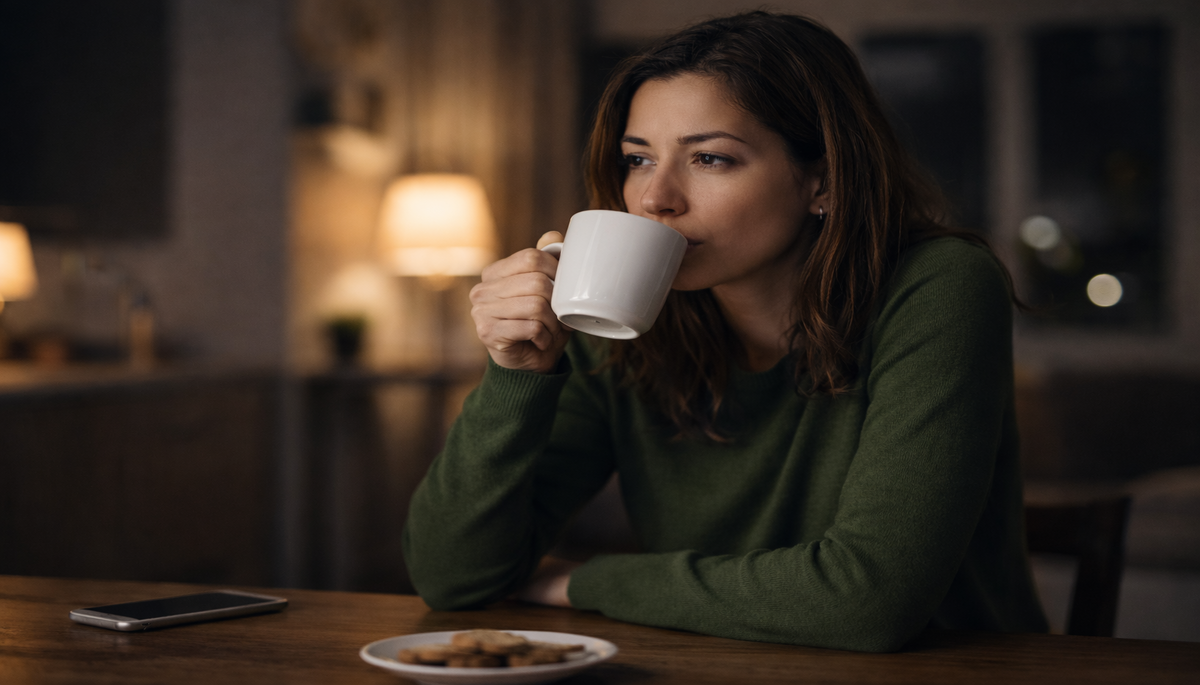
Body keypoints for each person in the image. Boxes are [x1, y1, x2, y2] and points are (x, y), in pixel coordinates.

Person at [402, 10, 1048, 652]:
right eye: (637, 159)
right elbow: (452, 577)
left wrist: (581, 580)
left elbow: (869, 600)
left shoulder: (940, 284)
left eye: (710, 158)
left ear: (820, 180)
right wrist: (516, 372)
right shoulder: (617, 317)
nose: (656, 199)